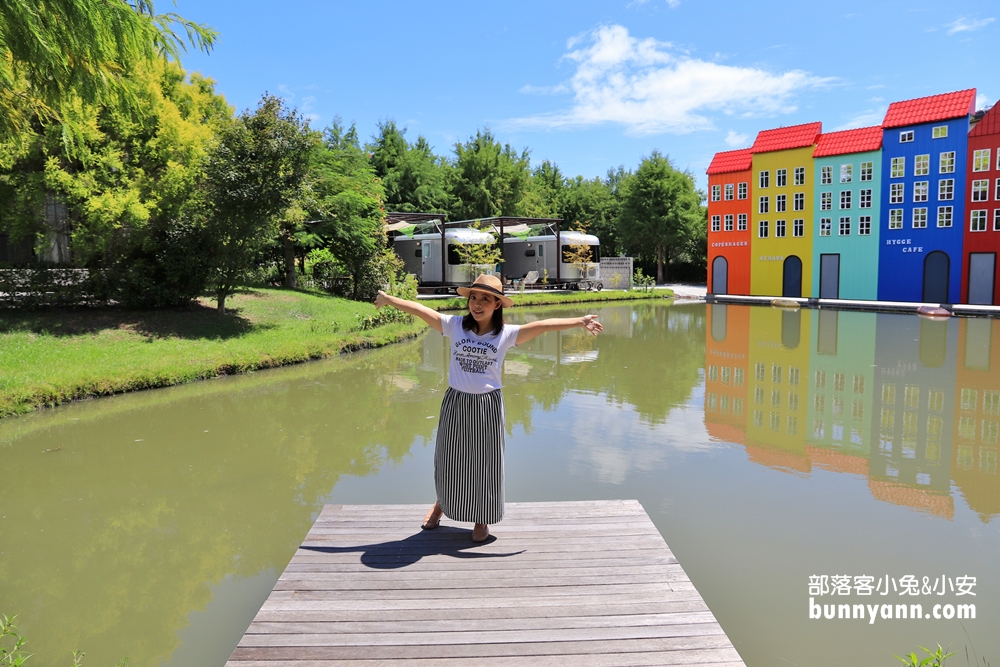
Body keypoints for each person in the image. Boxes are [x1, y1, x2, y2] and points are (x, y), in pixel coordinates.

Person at [374, 274, 603, 542]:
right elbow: (422, 310)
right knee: (448, 459)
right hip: (456, 401)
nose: (478, 304)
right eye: (474, 297)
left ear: (497, 305)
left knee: (485, 463)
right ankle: (441, 505)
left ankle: (482, 518)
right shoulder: (456, 325)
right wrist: (389, 300)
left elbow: (542, 326)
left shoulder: (506, 335)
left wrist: (579, 321)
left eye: (486, 299)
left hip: (487, 405)